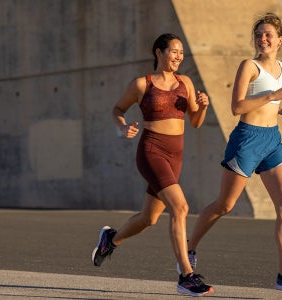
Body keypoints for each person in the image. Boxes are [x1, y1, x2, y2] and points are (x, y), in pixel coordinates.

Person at [184, 13, 282, 292]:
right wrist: (273, 97)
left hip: (272, 141)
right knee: (225, 205)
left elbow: (266, 104)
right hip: (246, 140)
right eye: (258, 35)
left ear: (280, 40)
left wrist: (280, 110)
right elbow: (237, 107)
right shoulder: (249, 66)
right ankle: (189, 247)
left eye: (268, 35)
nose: (263, 39)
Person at [91, 33, 213, 297]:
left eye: (182, 53)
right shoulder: (141, 84)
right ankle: (185, 276)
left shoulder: (186, 83)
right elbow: (117, 109)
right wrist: (123, 127)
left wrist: (202, 107)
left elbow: (196, 122)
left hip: (175, 156)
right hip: (151, 151)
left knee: (149, 218)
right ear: (159, 52)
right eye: (174, 51)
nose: (179, 57)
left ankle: (109, 241)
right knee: (180, 207)